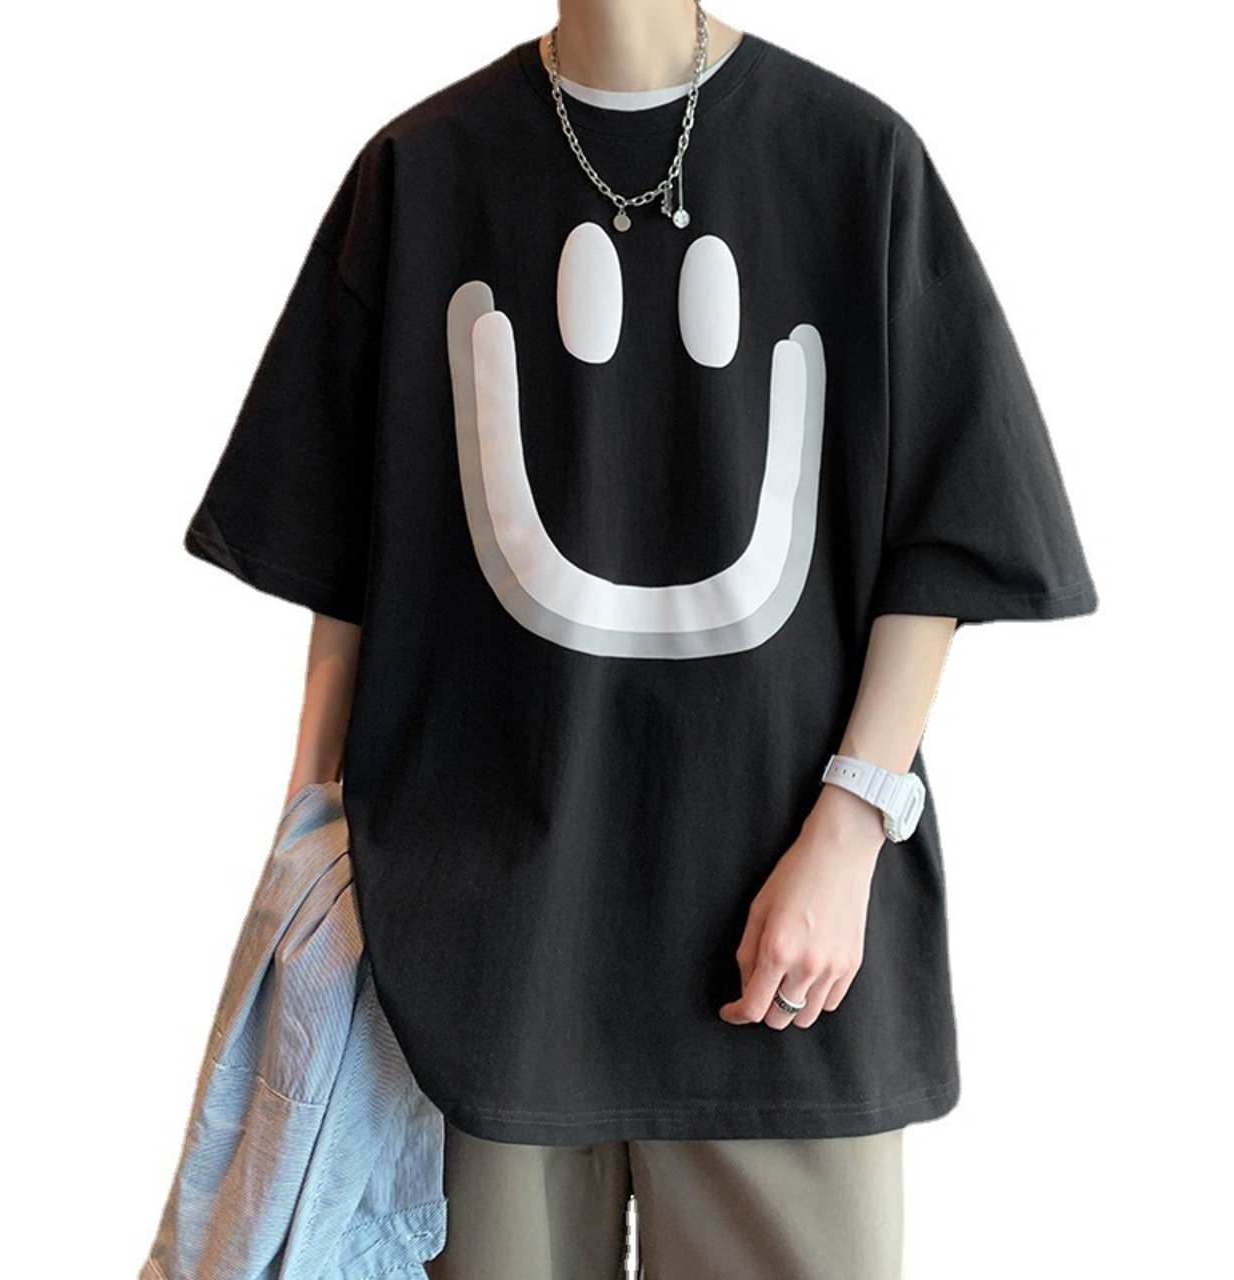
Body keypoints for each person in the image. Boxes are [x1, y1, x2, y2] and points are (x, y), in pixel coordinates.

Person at [181, 2, 1099, 1276]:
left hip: (783, 966)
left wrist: (848, 829)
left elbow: (947, 532)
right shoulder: (420, 172)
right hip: (473, 957)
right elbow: (340, 556)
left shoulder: (854, 160)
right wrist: (308, 846)